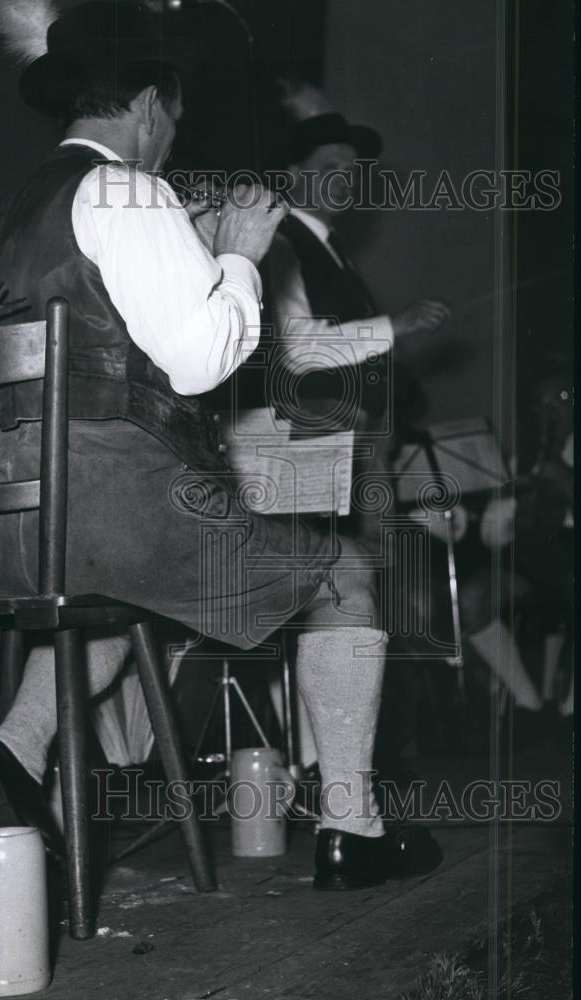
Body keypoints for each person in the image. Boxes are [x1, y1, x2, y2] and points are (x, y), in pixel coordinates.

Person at [0, 0, 440, 890]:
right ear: (146, 103)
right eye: (171, 114)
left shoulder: (15, 211)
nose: (171, 135)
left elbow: (108, 336)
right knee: (345, 574)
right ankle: (349, 828)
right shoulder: (131, 188)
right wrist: (243, 254)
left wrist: (202, 256)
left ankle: (12, 748)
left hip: (2, 532)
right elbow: (200, 365)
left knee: (114, 586)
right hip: (110, 506)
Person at [263, 81, 451, 772]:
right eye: (329, 169)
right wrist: (392, 326)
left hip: (353, 443)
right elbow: (295, 347)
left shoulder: (329, 251)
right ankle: (320, 769)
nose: (344, 182)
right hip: (310, 443)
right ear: (290, 176)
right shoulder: (279, 242)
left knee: (350, 592)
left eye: (350, 171)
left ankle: (332, 766)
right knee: (333, 591)